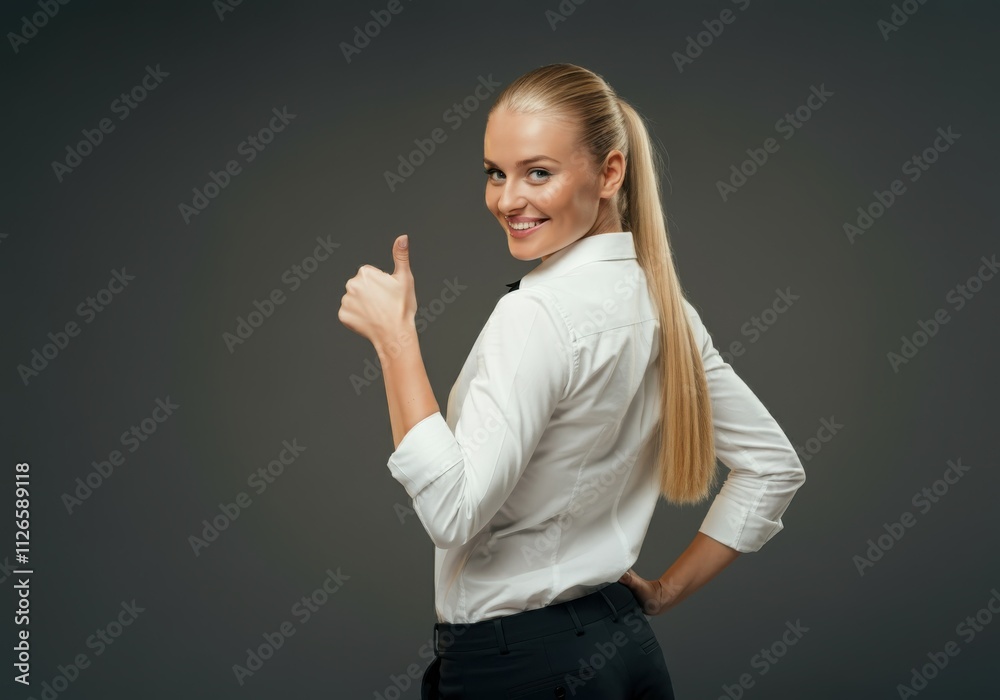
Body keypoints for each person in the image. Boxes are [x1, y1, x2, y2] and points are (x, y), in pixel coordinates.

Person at [338, 63, 807, 699]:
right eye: (495, 173)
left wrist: (396, 341)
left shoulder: (536, 313)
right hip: (624, 648)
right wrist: (663, 593)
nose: (507, 200)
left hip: (522, 667)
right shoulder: (665, 306)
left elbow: (452, 512)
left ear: (610, 173)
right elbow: (773, 467)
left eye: (538, 173)